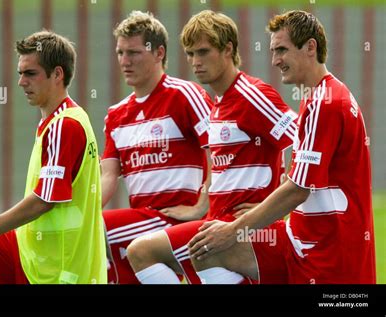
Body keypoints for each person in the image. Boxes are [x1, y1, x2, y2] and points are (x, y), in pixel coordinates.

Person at [187, 10, 376, 284]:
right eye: (273, 51)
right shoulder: (319, 98)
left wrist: (234, 230)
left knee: (191, 247)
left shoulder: (326, 103)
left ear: (310, 47)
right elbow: (302, 180)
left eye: (282, 50)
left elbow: (298, 189)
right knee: (205, 249)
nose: (275, 61)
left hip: (328, 255)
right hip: (301, 240)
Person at [127, 10, 297, 284]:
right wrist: (199, 207)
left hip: (241, 231)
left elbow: (305, 140)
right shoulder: (218, 102)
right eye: (190, 54)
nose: (196, 62)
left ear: (228, 49)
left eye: (203, 52)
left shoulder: (251, 95)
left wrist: (274, 205)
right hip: (216, 225)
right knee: (146, 251)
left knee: (142, 251)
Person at [0, 30, 107, 284]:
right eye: (20, 73)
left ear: (57, 74)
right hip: (33, 254)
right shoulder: (61, 120)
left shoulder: (64, 125)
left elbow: (43, 200)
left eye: (30, 73)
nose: (21, 82)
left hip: (57, 269)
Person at [101, 11, 213, 284]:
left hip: (177, 219)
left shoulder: (184, 95)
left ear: (159, 52)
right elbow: (108, 176)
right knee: (85, 227)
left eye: (134, 53)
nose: (125, 62)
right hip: (143, 220)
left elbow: (219, 150)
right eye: (120, 53)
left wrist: (202, 206)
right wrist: (81, 211)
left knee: (97, 229)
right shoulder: (115, 114)